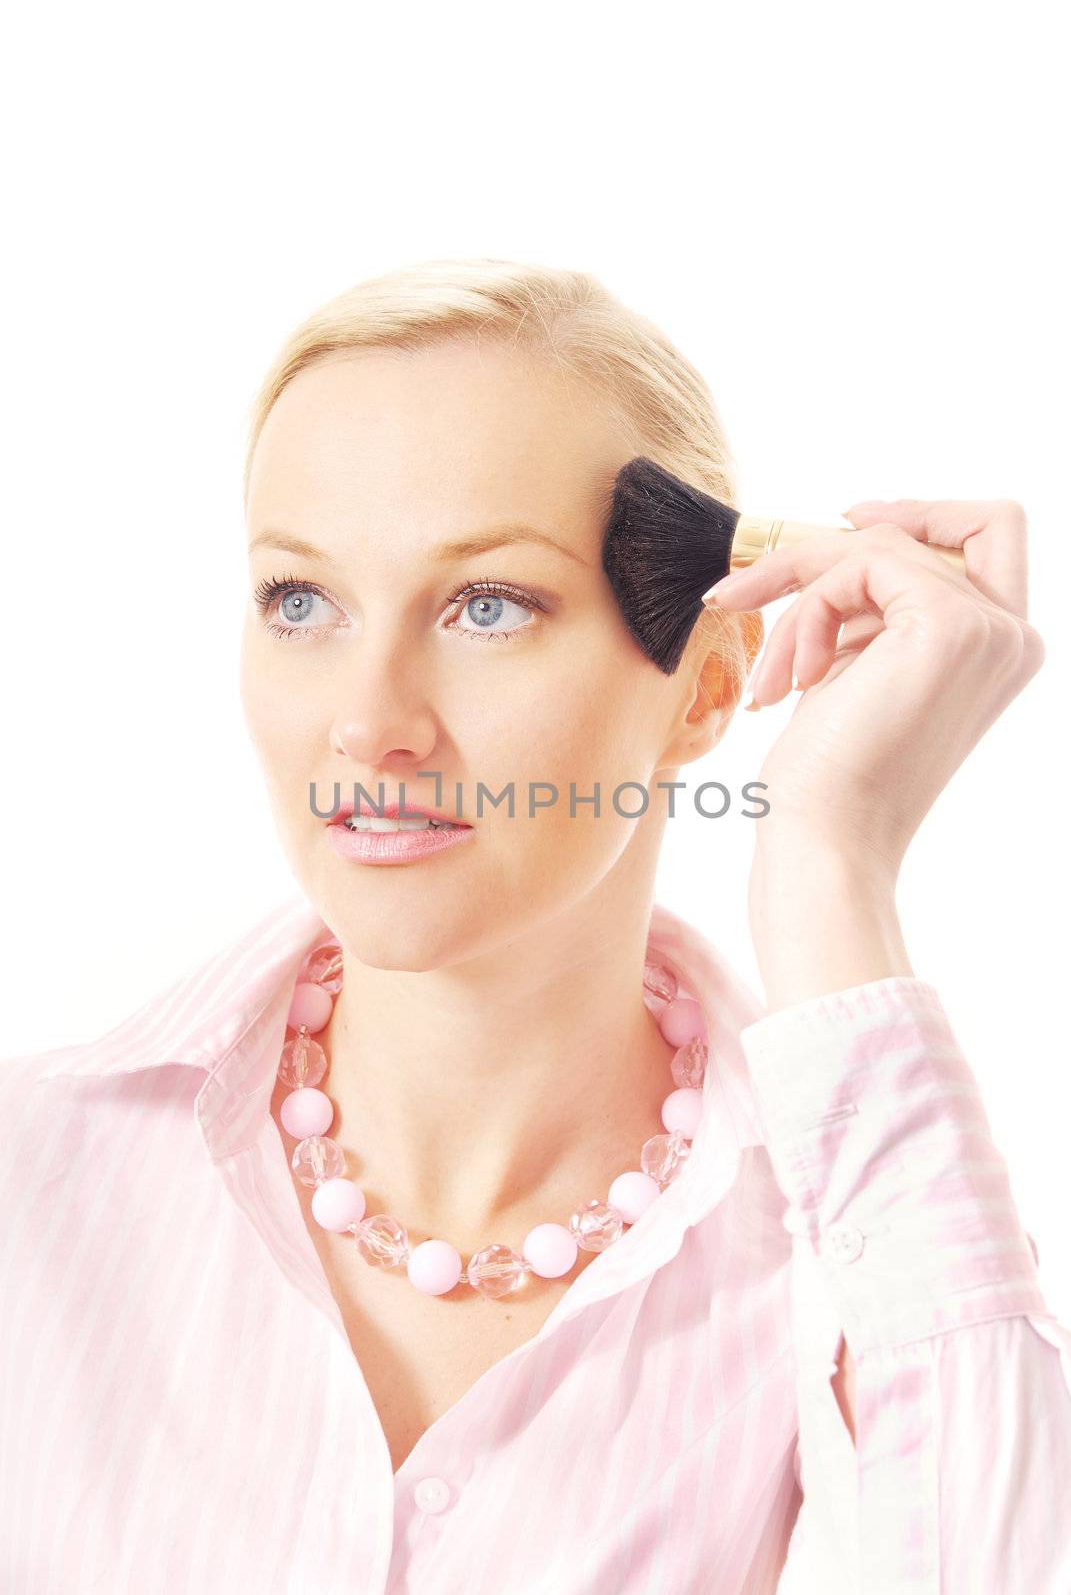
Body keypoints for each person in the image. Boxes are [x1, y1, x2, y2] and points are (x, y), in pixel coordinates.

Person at [2, 257, 1069, 1593]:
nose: (369, 723)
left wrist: (830, 864)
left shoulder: (848, 1257)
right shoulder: (29, 1188)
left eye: (486, 606)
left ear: (702, 696)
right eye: (301, 600)